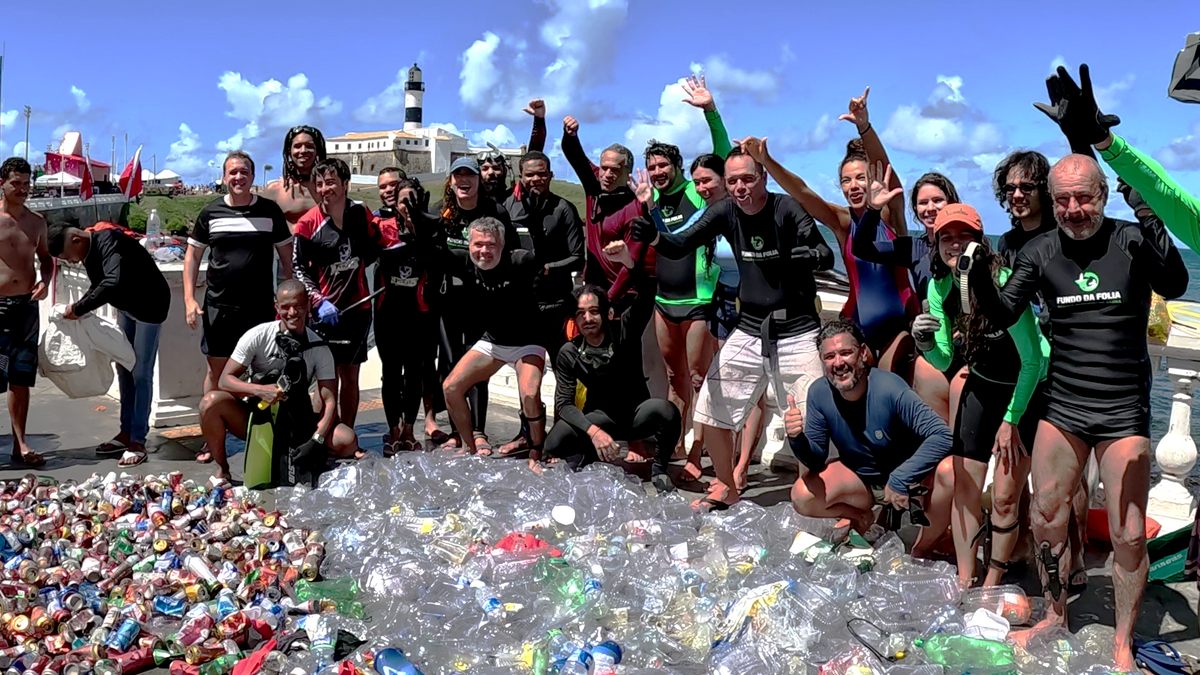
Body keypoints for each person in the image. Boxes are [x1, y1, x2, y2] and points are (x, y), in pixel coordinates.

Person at [969, 152, 1187, 668]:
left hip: (1121, 408)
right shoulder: (1042, 249)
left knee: (1128, 531)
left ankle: (1121, 642)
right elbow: (1003, 313)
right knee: (1045, 514)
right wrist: (978, 276)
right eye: (1062, 199)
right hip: (1063, 403)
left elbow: (1175, 283)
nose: (1072, 209)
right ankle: (1056, 613)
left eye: (1083, 197)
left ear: (1103, 196)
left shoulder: (1130, 239)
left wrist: (1152, 216)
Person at [634, 142, 834, 511]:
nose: (741, 187)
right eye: (734, 181)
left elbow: (825, 253)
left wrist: (809, 256)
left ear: (762, 178)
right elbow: (680, 245)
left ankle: (813, 495)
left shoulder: (785, 208)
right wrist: (654, 232)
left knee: (807, 418)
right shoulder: (726, 211)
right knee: (710, 405)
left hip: (797, 329)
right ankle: (726, 485)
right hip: (749, 326)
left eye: (747, 179)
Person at [907, 203, 1048, 585]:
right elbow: (944, 358)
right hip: (982, 384)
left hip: (1025, 390)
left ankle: (992, 584)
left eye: (964, 236)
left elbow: (1034, 359)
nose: (955, 245)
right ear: (935, 244)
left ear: (980, 243)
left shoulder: (1003, 281)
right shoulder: (939, 286)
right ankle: (966, 577)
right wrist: (924, 343)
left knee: (1004, 498)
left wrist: (1012, 420)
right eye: (946, 237)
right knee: (965, 487)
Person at [749, 89, 917, 381]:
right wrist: (766, 161)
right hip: (857, 323)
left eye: (861, 178)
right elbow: (802, 192)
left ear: (873, 181)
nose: (853, 185)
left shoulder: (891, 213)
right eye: (845, 180)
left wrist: (864, 126)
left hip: (900, 325)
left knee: (886, 384)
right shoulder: (842, 222)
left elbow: (883, 167)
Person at [786, 319, 953, 545]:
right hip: (861, 482)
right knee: (801, 496)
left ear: (863, 353)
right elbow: (816, 460)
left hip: (909, 481)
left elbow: (943, 436)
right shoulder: (818, 392)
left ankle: (927, 541)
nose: (838, 363)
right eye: (829, 357)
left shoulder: (890, 388)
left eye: (846, 353)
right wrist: (797, 439)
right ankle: (860, 516)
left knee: (949, 471)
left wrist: (901, 477)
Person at [642, 73, 734, 479]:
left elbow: (723, 157)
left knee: (700, 378)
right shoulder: (653, 201)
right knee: (675, 379)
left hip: (698, 303)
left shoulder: (698, 192)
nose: (658, 172)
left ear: (677, 166)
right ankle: (675, 444)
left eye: (663, 165)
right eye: (652, 167)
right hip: (664, 301)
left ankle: (698, 452)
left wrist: (710, 112)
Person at [546, 240, 682, 490]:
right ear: (574, 318)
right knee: (554, 443)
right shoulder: (569, 351)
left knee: (667, 411)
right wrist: (593, 431)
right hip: (601, 417)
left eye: (594, 311)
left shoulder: (625, 331)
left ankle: (660, 469)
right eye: (581, 313)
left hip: (635, 415)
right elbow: (564, 404)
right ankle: (586, 460)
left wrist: (628, 263)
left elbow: (647, 294)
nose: (588, 318)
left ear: (607, 313)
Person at [197, 280, 360, 482]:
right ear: (276, 307)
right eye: (285, 307)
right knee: (210, 402)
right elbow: (225, 380)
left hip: (299, 421)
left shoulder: (319, 348)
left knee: (346, 439)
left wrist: (316, 440)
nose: (292, 313)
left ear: (308, 305)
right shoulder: (257, 335)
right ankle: (223, 469)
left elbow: (330, 401)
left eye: (298, 306)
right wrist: (259, 390)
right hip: (260, 418)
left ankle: (314, 457)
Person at [48, 220, 171, 468]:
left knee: (141, 373)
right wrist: (78, 309)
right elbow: (97, 285)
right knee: (123, 368)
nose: (71, 262)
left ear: (76, 240)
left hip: (150, 307)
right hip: (126, 307)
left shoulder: (110, 241)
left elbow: (112, 280)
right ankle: (125, 432)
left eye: (67, 256)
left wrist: (79, 308)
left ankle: (138, 439)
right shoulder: (88, 253)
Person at [184, 151, 294, 406]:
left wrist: (289, 301)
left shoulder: (270, 211)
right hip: (219, 307)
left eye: (244, 172)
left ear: (253, 177)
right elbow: (192, 256)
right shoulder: (210, 212)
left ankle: (262, 438)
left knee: (266, 373)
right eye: (233, 172)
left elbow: (287, 259)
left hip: (260, 308)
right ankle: (212, 439)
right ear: (224, 178)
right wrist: (189, 299)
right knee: (216, 373)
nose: (239, 177)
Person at [496, 148, 585, 456]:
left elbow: (578, 256)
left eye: (541, 173)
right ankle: (528, 434)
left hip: (558, 307)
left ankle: (562, 438)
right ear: (522, 177)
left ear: (550, 175)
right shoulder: (509, 207)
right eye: (530, 174)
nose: (536, 178)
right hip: (524, 308)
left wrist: (549, 268)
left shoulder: (564, 209)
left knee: (565, 377)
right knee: (527, 379)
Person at [441, 217, 547, 457]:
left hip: (527, 343)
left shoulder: (518, 261)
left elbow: (539, 256)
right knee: (450, 387)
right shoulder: (464, 262)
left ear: (502, 246)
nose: (484, 251)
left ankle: (536, 452)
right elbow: (433, 254)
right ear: (469, 245)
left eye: (491, 245)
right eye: (478, 244)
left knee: (530, 395)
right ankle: (469, 447)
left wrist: (535, 222)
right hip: (493, 341)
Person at [434, 157, 520, 453]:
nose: (463, 180)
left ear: (478, 180)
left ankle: (479, 430)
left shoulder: (494, 211)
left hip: (483, 298)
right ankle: (458, 431)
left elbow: (510, 253)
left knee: (478, 365)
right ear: (451, 182)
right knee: (449, 364)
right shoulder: (443, 213)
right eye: (457, 175)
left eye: (469, 174)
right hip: (448, 299)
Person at [293, 157, 384, 428]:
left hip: (358, 309)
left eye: (330, 182)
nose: (324, 189)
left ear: (345, 184)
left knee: (351, 376)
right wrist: (318, 301)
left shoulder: (361, 212)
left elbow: (374, 248)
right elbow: (298, 268)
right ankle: (325, 433)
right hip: (325, 314)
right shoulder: (307, 223)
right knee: (327, 377)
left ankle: (348, 434)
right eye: (319, 184)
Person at [375, 171, 443, 452]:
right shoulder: (381, 226)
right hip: (387, 313)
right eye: (402, 201)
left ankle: (410, 432)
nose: (406, 206)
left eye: (412, 200)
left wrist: (420, 227)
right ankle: (393, 431)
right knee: (391, 374)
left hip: (419, 313)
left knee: (414, 373)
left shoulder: (431, 227)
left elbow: (438, 261)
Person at [0, 157, 51, 467]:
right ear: (2, 184)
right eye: (15, 183)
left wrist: (46, 279)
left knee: (21, 378)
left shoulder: (37, 222)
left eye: (26, 183)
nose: (21, 189)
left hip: (26, 307)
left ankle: (20, 444)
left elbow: (46, 258)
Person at [478, 98, 548, 207]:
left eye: (496, 168)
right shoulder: (470, 201)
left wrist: (539, 121)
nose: (491, 173)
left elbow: (534, 156)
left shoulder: (516, 197)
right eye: (485, 169)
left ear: (505, 172)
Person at [263, 126, 327, 227]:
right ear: (289, 151)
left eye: (309, 146)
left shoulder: (328, 189)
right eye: (297, 146)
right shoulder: (275, 190)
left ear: (317, 150)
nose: (303, 150)